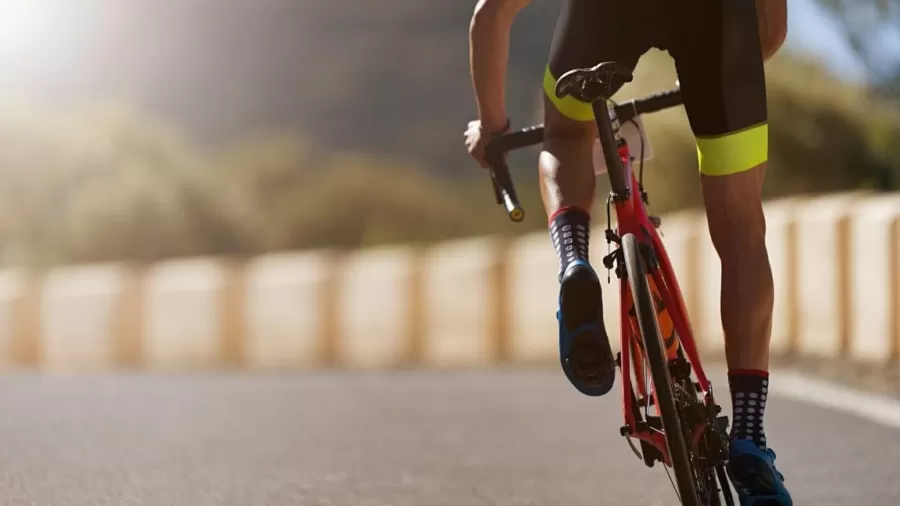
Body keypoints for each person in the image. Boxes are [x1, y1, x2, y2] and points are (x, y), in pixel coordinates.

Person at [464, 0, 791, 504]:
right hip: (719, 21)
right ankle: (749, 436)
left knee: (567, 133)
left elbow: (490, 15)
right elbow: (770, 31)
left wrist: (491, 128)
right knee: (742, 230)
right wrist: (719, 79)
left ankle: (574, 257)